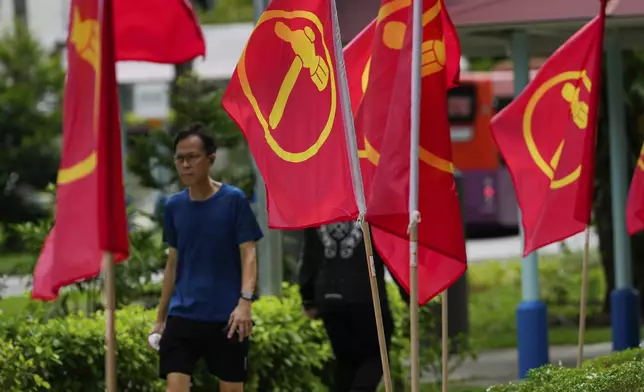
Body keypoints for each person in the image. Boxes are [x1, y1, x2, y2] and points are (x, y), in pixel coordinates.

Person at [150, 123, 263, 392]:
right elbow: (173, 263)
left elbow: (248, 253)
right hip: (183, 315)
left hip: (227, 318)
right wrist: (160, 318)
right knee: (174, 386)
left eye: (192, 157)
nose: (185, 165)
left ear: (210, 159)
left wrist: (245, 302)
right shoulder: (174, 206)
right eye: (180, 158)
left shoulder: (233, 200)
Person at [298, 221, 394, 392]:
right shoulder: (369, 203)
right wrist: (409, 293)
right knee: (375, 355)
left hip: (330, 299)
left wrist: (308, 298)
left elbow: (309, 255)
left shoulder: (319, 207)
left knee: (346, 362)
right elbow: (391, 251)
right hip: (366, 297)